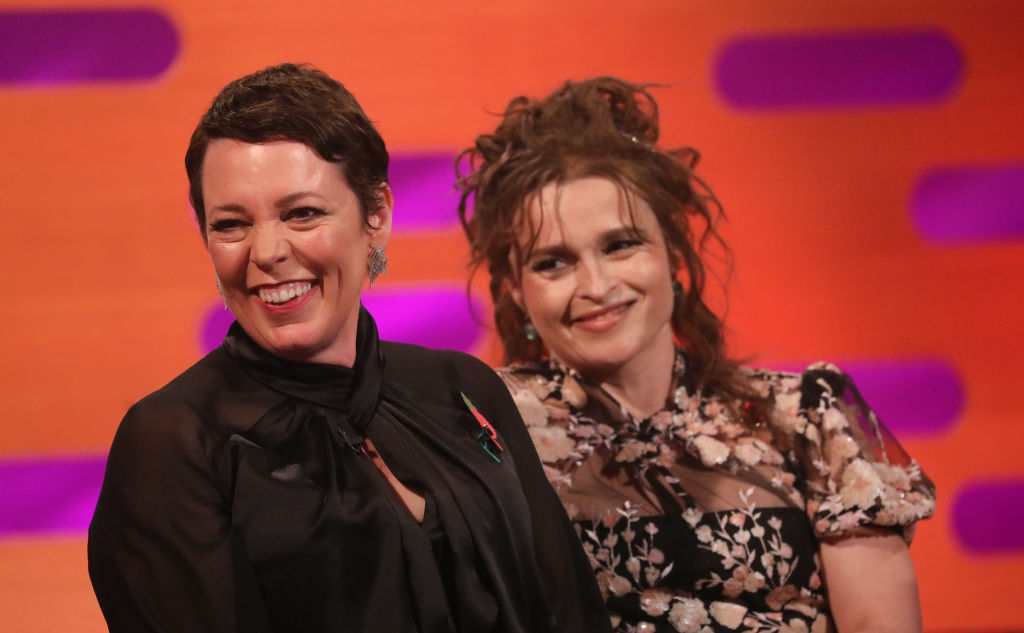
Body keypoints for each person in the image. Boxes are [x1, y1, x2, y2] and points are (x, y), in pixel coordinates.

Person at [88, 63, 611, 633]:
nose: (267, 252)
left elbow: (569, 609)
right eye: (232, 224)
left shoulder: (463, 387)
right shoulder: (174, 441)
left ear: (376, 214)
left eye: (302, 214)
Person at [456, 77, 936, 633]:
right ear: (517, 290)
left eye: (620, 245)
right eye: (553, 263)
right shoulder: (486, 434)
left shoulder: (806, 418)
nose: (596, 285)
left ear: (672, 250)